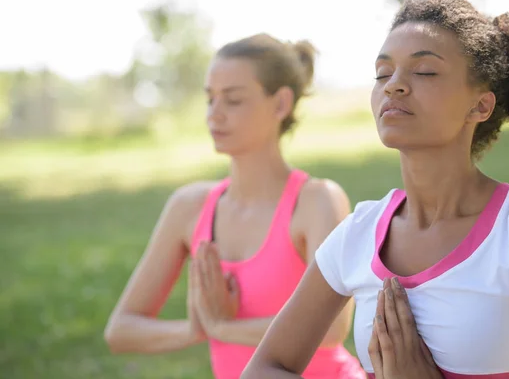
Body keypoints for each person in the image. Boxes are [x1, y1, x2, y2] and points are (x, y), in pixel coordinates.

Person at [241, 0, 509, 379]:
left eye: (424, 71)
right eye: (382, 73)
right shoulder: (357, 235)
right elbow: (264, 368)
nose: (394, 85)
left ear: (480, 106)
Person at [104, 33, 365, 379]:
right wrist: (196, 330)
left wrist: (223, 329)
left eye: (233, 100)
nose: (215, 113)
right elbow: (120, 330)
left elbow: (331, 330)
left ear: (280, 104)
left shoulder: (317, 201)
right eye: (210, 99)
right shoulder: (189, 207)